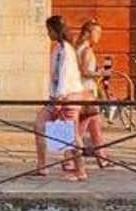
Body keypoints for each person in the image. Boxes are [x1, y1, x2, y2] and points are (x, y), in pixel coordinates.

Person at [36, 14, 87, 181]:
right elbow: (54, 75)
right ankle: (42, 166)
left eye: (49, 30)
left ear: (55, 30)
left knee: (71, 133)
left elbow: (65, 76)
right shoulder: (57, 49)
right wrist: (52, 96)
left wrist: (59, 98)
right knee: (40, 125)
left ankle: (80, 171)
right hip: (56, 96)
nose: (47, 34)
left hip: (69, 96)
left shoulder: (67, 51)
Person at [75, 19, 113, 167]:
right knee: (79, 129)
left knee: (95, 126)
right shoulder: (86, 50)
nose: (99, 36)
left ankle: (102, 157)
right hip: (86, 94)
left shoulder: (78, 48)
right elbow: (84, 71)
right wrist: (100, 73)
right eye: (97, 33)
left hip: (84, 92)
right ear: (88, 33)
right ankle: (70, 160)